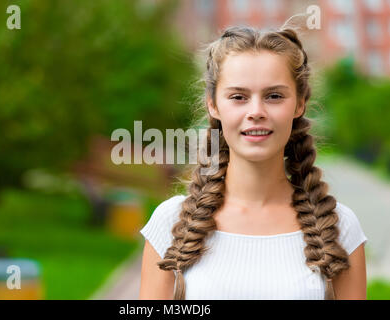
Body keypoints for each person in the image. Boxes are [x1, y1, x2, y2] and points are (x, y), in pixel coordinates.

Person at [138, 15, 368, 300]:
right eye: (238, 97)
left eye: (273, 96)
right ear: (213, 105)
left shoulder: (339, 228)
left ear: (299, 104)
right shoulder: (171, 223)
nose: (256, 111)